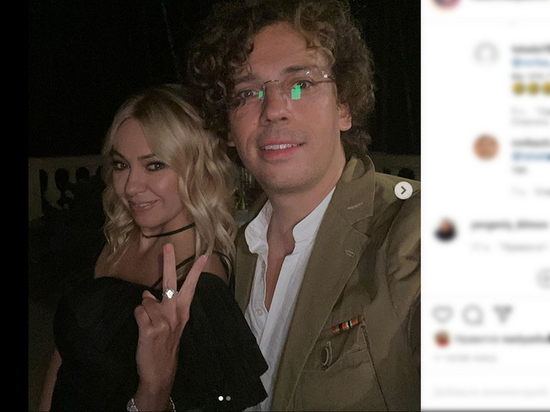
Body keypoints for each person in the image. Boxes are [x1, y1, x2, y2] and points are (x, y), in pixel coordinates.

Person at [188, 0, 420, 410]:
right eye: (248, 92)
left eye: (301, 84)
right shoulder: (234, 254)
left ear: (344, 107)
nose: (274, 109)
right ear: (229, 128)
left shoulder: (412, 229)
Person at [39, 84, 267, 411]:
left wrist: (155, 388)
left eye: (154, 165)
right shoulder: (113, 238)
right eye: (121, 165)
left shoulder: (198, 288)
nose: (131, 186)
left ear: (197, 167)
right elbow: (65, 354)